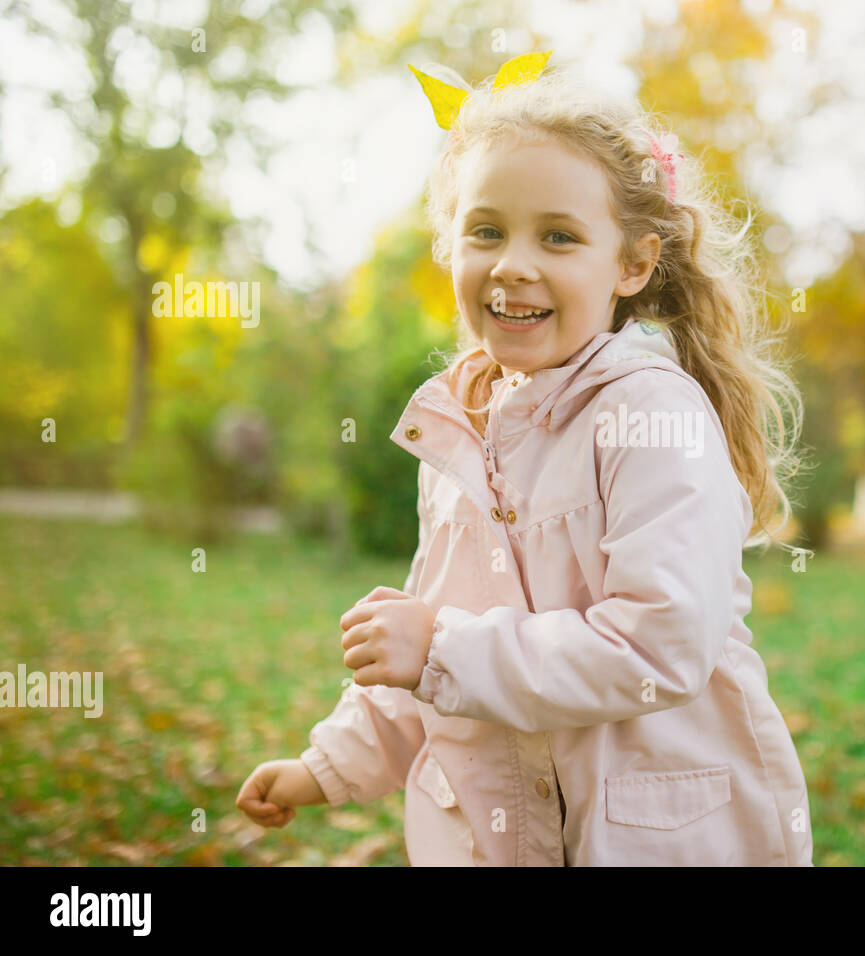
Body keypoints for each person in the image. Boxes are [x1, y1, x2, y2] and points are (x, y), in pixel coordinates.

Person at [237, 53, 812, 866]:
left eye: (558, 236)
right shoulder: (454, 432)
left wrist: (437, 646)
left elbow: (659, 646)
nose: (513, 263)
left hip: (652, 840)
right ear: (451, 249)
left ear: (632, 265)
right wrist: (323, 766)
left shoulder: (650, 414)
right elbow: (424, 660)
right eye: (486, 231)